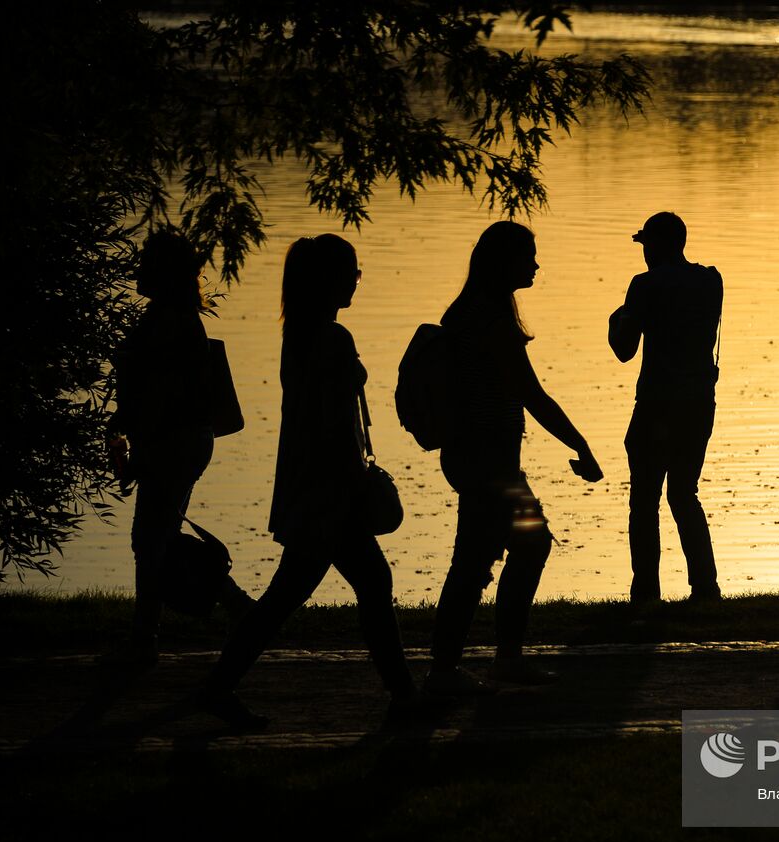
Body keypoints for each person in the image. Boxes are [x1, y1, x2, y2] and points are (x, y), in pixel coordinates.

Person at [194, 234, 417, 728]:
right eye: (353, 273)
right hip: (330, 491)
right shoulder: (332, 338)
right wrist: (351, 487)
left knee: (292, 594)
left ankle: (218, 686)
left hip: (310, 485)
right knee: (354, 585)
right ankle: (404, 697)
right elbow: (334, 422)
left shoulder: (299, 334)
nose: (357, 281)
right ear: (330, 280)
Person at [427, 221, 603, 695]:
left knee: (481, 555)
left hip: (476, 455)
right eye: (528, 257)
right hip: (488, 459)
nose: (536, 265)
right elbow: (530, 393)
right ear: (504, 262)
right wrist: (579, 444)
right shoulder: (488, 318)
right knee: (519, 547)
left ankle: (459, 665)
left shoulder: (468, 311)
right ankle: (481, 663)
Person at [107, 229, 253, 668]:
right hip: (181, 442)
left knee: (150, 540)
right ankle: (237, 606)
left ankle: (145, 640)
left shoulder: (168, 321)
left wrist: (141, 450)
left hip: (174, 443)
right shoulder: (173, 316)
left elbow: (164, 395)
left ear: (164, 273)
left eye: (147, 262)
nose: (138, 270)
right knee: (157, 538)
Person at [608, 212, 723, 607]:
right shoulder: (712, 280)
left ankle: (645, 594)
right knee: (684, 493)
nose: (643, 254)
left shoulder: (644, 285)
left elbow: (624, 349)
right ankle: (705, 588)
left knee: (644, 499)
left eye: (645, 245)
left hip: (657, 404)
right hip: (698, 403)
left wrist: (616, 319)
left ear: (656, 245)